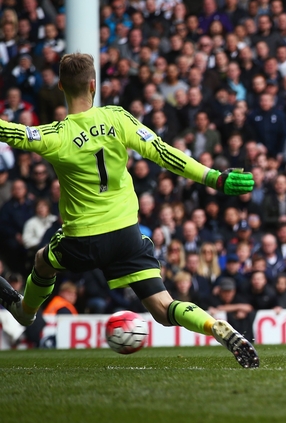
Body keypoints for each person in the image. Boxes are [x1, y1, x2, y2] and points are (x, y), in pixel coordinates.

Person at [0, 53, 260, 368]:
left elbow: (13, 133)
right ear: (93, 85)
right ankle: (213, 325)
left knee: (43, 261)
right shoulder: (117, 118)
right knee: (163, 308)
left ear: (60, 86)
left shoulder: (56, 135)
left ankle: (25, 313)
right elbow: (164, 153)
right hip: (126, 235)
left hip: (82, 240)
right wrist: (214, 178)